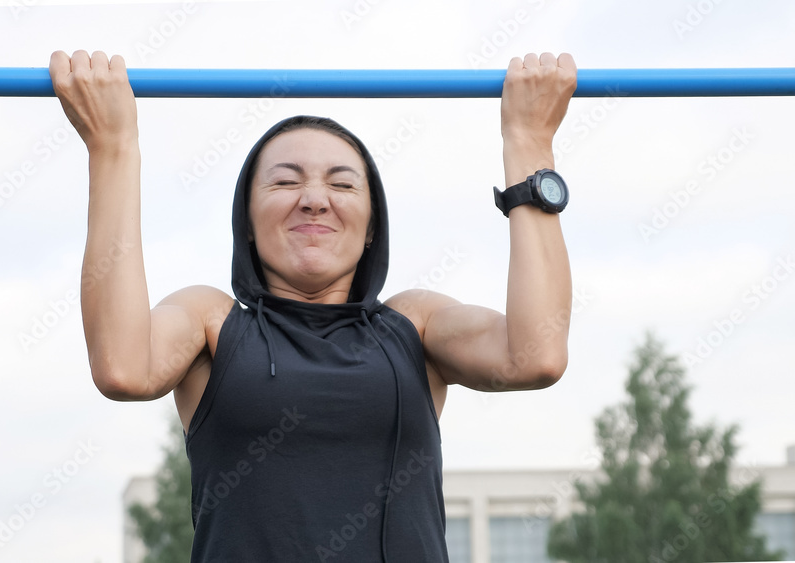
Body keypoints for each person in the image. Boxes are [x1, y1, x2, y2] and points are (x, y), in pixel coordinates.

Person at [49, 50, 576, 562]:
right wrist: (112, 147)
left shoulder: (416, 324)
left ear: (371, 227)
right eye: (284, 181)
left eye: (342, 184)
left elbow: (535, 355)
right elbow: (122, 367)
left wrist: (529, 145)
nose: (315, 199)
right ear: (248, 226)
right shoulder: (211, 323)